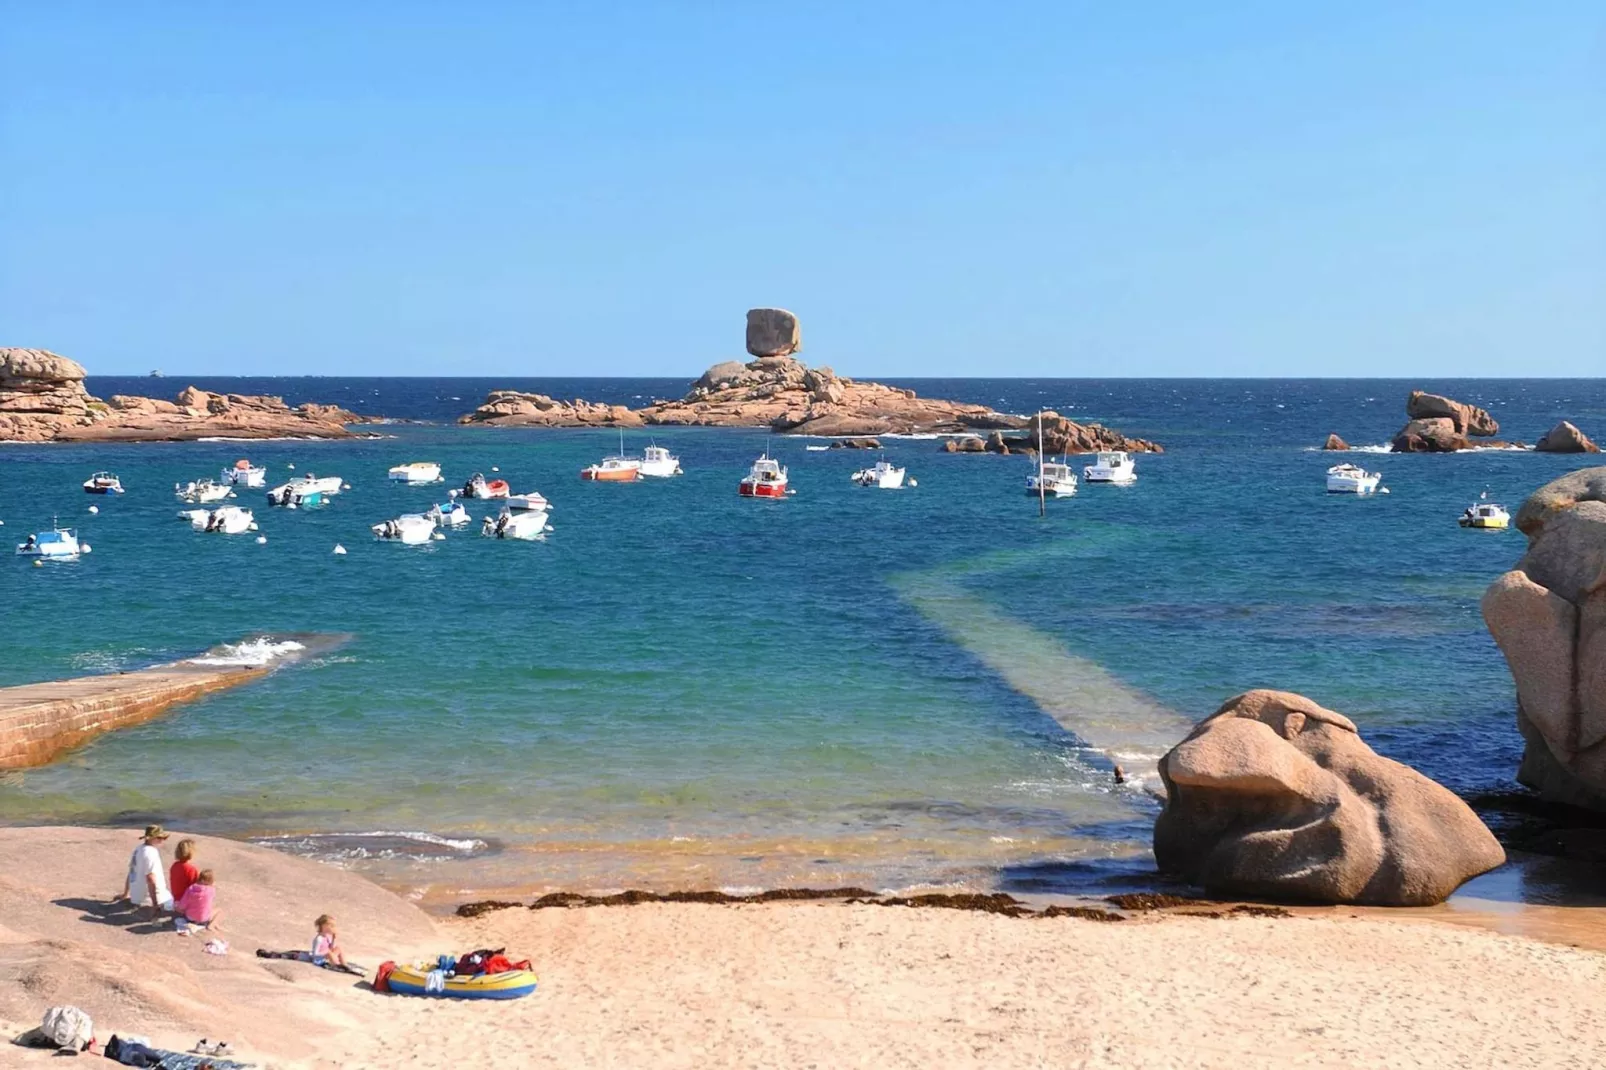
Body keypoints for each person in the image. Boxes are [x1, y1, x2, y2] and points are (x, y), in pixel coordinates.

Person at [116, 825, 174, 918]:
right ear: (151, 838)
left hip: (136, 897)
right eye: (159, 837)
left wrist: (125, 893)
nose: (162, 840)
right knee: (175, 903)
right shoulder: (151, 853)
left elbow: (131, 872)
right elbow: (150, 878)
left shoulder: (138, 849)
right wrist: (155, 904)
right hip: (149, 898)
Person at [173, 870, 219, 935]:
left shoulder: (190, 888)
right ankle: (212, 925)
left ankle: (195, 922)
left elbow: (182, 905)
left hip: (189, 918)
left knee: (177, 905)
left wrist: (177, 907)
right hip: (203, 919)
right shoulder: (211, 890)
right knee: (219, 911)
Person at [169, 839, 199, 903]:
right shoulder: (191, 869)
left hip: (176, 900)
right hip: (186, 902)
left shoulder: (174, 866)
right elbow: (195, 889)